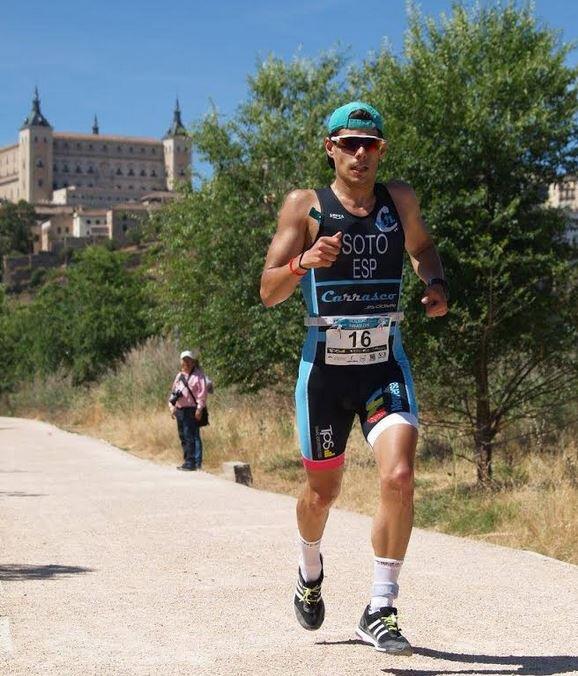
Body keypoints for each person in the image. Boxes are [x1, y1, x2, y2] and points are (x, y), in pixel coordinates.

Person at [260, 101, 448, 655]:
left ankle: (381, 607)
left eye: (370, 144)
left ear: (381, 151)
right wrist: (304, 262)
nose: (360, 153)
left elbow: (423, 249)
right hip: (324, 372)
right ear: (331, 148)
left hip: (384, 363)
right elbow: (268, 291)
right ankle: (309, 569)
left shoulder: (400, 199)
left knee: (400, 477)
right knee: (323, 493)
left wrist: (434, 282)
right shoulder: (306, 207)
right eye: (349, 143)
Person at [169, 349, 208, 472]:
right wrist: (171, 407)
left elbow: (202, 394)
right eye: (184, 360)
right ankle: (187, 460)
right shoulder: (179, 376)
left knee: (189, 435)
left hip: (191, 409)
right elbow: (173, 393)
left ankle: (191, 462)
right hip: (180, 409)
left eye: (189, 360)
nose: (186, 362)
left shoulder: (199, 375)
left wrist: (199, 409)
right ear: (181, 362)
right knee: (183, 436)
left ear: (193, 361)